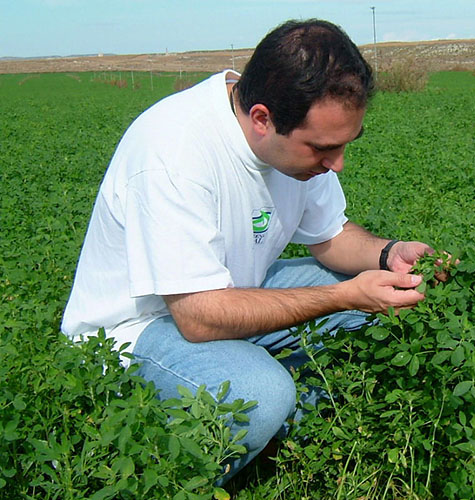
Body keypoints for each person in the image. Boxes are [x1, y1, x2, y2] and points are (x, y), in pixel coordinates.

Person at [62, 19, 439, 482]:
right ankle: (157, 474)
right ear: (262, 118)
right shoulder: (174, 150)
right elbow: (198, 316)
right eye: (323, 148)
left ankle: (287, 421)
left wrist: (389, 254)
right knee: (261, 394)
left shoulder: (297, 146)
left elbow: (331, 236)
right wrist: (344, 297)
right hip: (140, 328)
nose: (337, 163)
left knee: (392, 298)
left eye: (345, 144)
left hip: (234, 293)